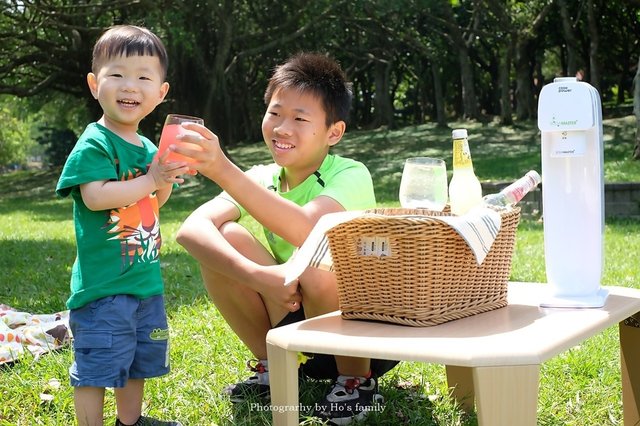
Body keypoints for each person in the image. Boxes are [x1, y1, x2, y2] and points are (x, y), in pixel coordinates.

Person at [175, 52, 398, 425]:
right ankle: (274, 366)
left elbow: (309, 230)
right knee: (225, 236)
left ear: (333, 132)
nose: (282, 128)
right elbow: (190, 231)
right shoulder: (262, 177)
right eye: (275, 113)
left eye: (299, 118)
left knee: (315, 261)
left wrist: (223, 169)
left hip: (364, 334)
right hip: (296, 318)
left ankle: (357, 381)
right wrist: (260, 277)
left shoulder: (350, 174)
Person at [56, 25, 187, 426]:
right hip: (103, 288)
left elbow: (153, 202)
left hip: (144, 282)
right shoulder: (95, 142)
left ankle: (129, 422)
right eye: (118, 75)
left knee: (136, 363)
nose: (131, 86)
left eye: (144, 77)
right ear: (95, 85)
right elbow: (95, 196)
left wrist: (162, 180)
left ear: (160, 93)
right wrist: (150, 180)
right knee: (98, 367)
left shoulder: (149, 148)